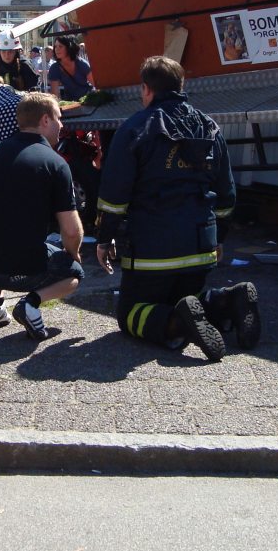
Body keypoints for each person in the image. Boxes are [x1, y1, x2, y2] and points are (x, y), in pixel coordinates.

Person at [95, 56, 260, 361]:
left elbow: (114, 196)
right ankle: (229, 301)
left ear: (146, 89)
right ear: (182, 86)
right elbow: (226, 193)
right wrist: (219, 237)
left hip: (152, 251)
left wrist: (105, 239)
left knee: (131, 313)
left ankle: (177, 323)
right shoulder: (208, 127)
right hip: (200, 248)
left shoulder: (135, 129)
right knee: (189, 296)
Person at [0, 92, 83, 341]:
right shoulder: (55, 163)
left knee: (2, 236)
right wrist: (73, 254)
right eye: (58, 117)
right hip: (24, 271)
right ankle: (31, 304)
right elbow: (71, 231)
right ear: (45, 120)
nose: (62, 125)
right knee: (74, 274)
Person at [48, 35, 95, 101]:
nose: (56, 49)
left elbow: (96, 84)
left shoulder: (82, 64)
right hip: (70, 102)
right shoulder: (54, 68)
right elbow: (55, 95)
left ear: (69, 48)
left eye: (60, 46)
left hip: (89, 100)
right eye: (55, 46)